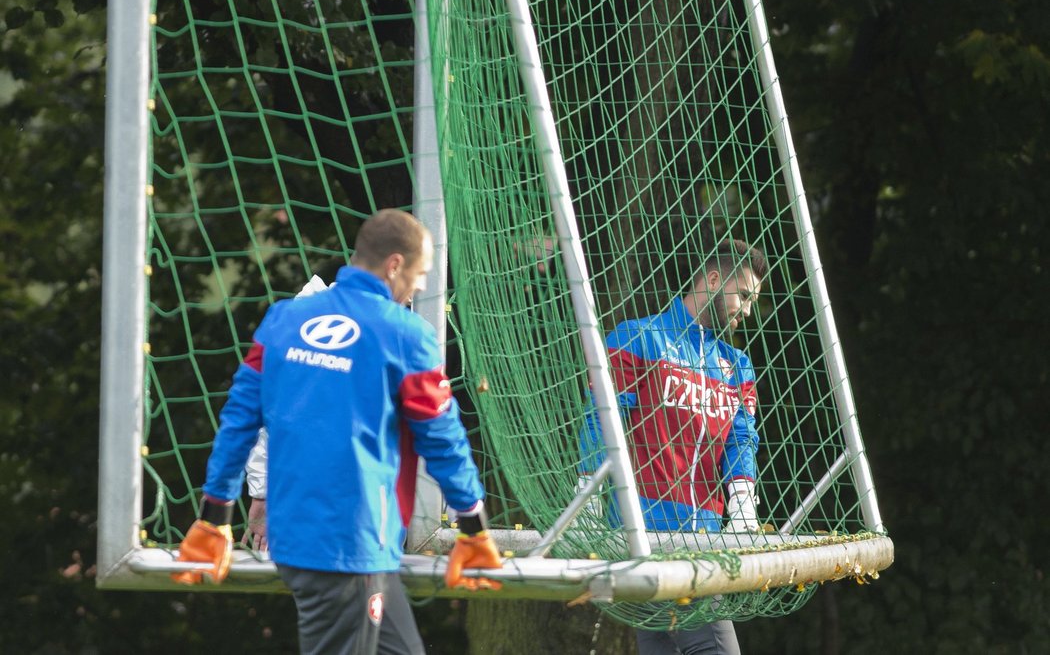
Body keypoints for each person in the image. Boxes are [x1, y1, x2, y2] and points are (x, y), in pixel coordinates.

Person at [172, 209, 503, 655]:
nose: (422, 286)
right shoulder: (405, 335)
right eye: (421, 273)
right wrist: (473, 527)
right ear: (394, 265)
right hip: (351, 543)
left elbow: (239, 420)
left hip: (309, 538)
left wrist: (215, 517)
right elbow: (442, 439)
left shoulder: (283, 321)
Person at [580, 239, 769, 655]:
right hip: (642, 539)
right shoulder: (637, 338)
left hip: (705, 544)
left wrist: (742, 509)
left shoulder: (737, 365)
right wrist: (588, 500)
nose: (749, 311)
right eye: (744, 296)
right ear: (714, 279)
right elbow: (601, 422)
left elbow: (741, 441)